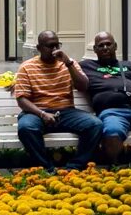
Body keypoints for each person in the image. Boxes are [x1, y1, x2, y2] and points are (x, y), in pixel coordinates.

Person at [14, 30, 103, 171]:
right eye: (50, 46)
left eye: (57, 45)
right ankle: (46, 168)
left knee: (95, 125)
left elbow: (83, 86)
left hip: (66, 112)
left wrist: (68, 63)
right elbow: (22, 99)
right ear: (39, 48)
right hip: (37, 113)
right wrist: (42, 114)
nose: (55, 50)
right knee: (26, 128)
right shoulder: (27, 67)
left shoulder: (68, 64)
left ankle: (74, 167)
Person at [79, 31, 131, 164]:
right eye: (101, 45)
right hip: (112, 112)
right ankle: (115, 165)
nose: (105, 48)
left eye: (108, 44)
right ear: (95, 49)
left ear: (115, 46)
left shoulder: (130, 66)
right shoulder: (86, 66)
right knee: (112, 131)